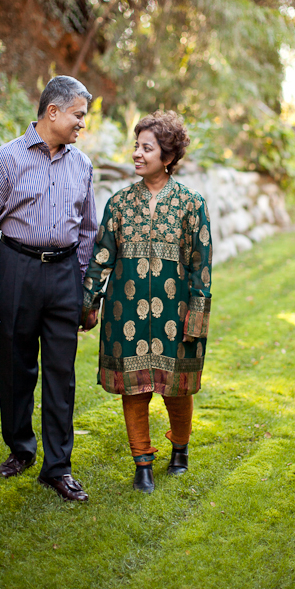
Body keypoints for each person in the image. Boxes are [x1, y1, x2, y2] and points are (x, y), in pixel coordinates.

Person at [0, 75, 98, 502]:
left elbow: (89, 232)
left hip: (63, 277)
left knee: (62, 373)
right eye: (78, 115)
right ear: (53, 112)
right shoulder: (6, 160)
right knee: (16, 368)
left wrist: (82, 290)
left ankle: (57, 467)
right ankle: (20, 449)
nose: (82, 125)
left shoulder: (83, 165)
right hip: (15, 270)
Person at [82, 111, 212, 493]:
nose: (137, 154)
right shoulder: (119, 204)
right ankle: (142, 464)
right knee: (133, 389)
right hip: (127, 313)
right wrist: (88, 301)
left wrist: (197, 319)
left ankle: (180, 451)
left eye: (147, 148)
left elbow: (201, 268)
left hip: (177, 312)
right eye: (136, 146)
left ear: (167, 156)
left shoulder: (192, 204)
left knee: (177, 388)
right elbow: (101, 256)